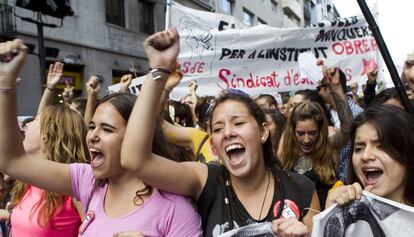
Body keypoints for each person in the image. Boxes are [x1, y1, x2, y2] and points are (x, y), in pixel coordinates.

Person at [121, 28, 319, 237]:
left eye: (238, 122)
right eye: (217, 128)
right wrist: (159, 71)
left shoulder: (301, 188)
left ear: (263, 132)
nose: (227, 132)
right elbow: (135, 160)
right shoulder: (205, 181)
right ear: (214, 146)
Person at [0, 39, 202, 236]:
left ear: (136, 138)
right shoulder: (88, 181)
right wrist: (5, 83)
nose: (92, 136)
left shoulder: (175, 208)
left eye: (107, 129)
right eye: (91, 126)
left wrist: (159, 74)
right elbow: (12, 161)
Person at [279, 67, 353, 209]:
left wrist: (336, 87)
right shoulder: (285, 153)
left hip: (328, 221)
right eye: (300, 133)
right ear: (292, 131)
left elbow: (347, 127)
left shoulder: (329, 147)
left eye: (312, 133)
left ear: (320, 131)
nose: (306, 140)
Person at [8, 106, 87, 237]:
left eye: (35, 119)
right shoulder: (28, 180)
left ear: (47, 134)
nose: (27, 124)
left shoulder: (74, 189)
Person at [326, 105, 414, 208]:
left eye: (381, 146)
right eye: (359, 148)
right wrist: (331, 215)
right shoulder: (347, 212)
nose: (365, 156)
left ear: (408, 152)